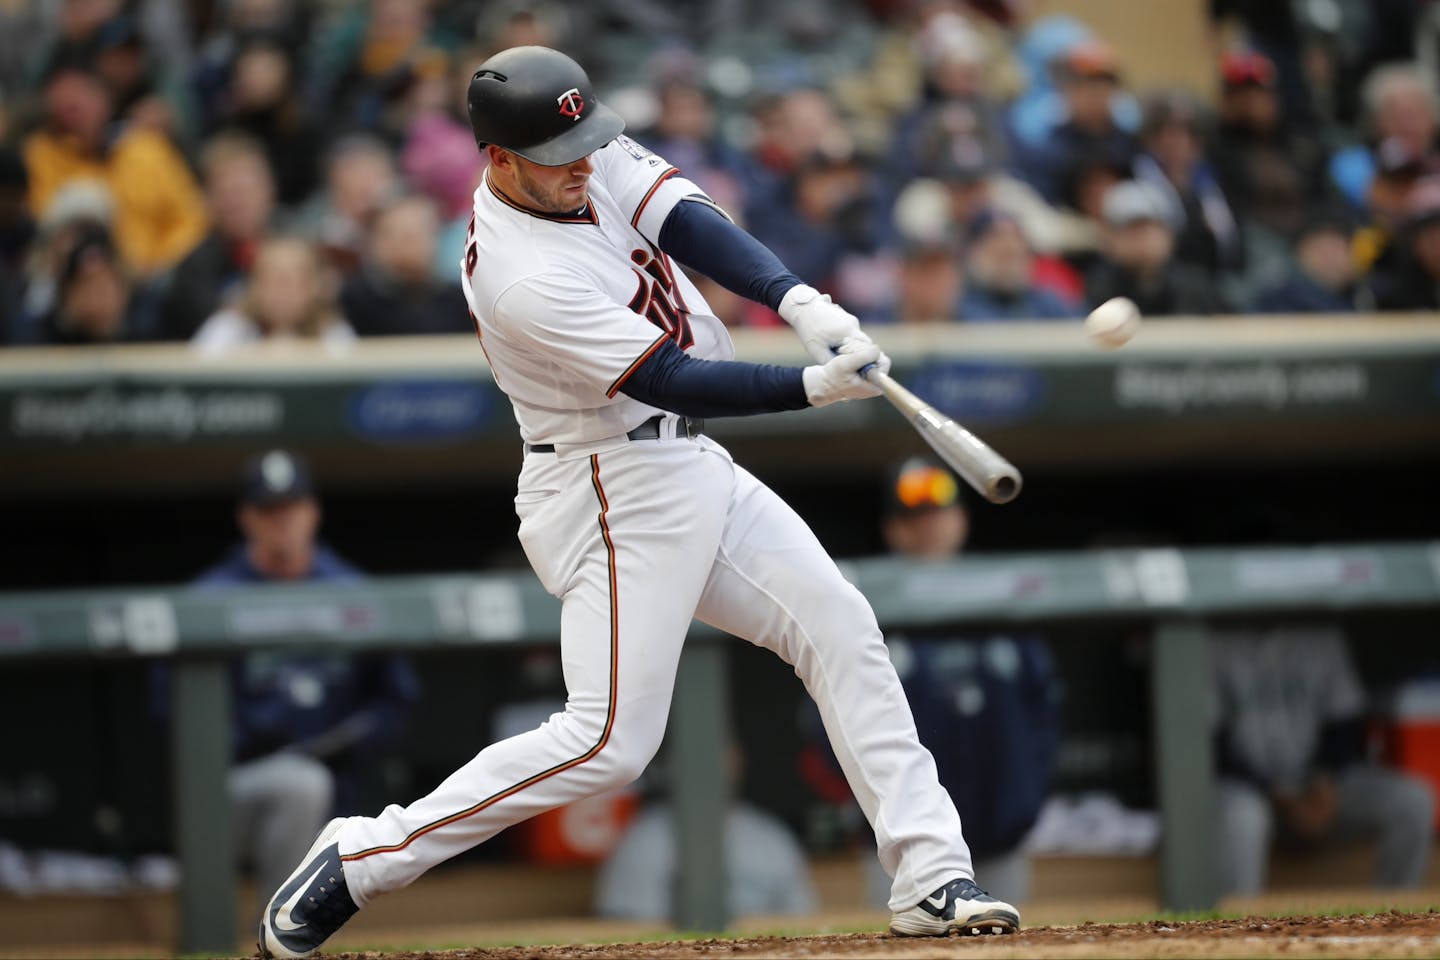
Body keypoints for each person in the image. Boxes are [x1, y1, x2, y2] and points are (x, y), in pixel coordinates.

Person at [258, 45, 1020, 959]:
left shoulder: (570, 148)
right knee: (609, 740)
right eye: (559, 153)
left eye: (587, 139)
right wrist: (812, 388)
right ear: (499, 160)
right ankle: (362, 856)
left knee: (839, 625)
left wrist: (798, 298)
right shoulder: (518, 274)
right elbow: (670, 379)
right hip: (606, 481)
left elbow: (688, 219)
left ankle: (932, 873)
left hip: (688, 466)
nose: (584, 162)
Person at [167, 449, 420, 916]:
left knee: (316, 783)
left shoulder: (352, 592)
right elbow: (172, 710)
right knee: (298, 784)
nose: (282, 522)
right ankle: (283, 925)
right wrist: (261, 740)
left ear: (312, 512)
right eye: (269, 511)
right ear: (247, 518)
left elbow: (397, 698)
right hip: (235, 789)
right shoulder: (210, 599)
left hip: (337, 779)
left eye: (292, 508)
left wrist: (344, 743)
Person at [805, 458, 1060, 907]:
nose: (930, 527)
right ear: (893, 529)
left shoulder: (1003, 600)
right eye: (914, 517)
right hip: (900, 847)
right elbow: (823, 716)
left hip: (1001, 838)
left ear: (961, 518)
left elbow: (1044, 712)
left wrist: (1024, 804)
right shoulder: (861, 606)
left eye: (939, 513)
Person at [1212, 624, 1435, 896]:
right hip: (1249, 793)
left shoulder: (1321, 633)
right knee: (1244, 816)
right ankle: (1241, 928)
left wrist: (1323, 780)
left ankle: (1393, 922)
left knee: (1413, 800)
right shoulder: (1212, 640)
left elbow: (1346, 724)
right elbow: (1212, 746)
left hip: (1319, 791)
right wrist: (1274, 793)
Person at [594, 741, 818, 923]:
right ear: (674, 762)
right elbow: (629, 939)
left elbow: (804, 925)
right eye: (699, 752)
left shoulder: (771, 838)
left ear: (739, 758)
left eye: (721, 749)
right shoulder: (644, 840)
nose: (710, 762)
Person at [191, 235, 354, 354]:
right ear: (254, 286)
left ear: (315, 288)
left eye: (292, 282)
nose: (282, 293)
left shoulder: (334, 333)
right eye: (271, 280)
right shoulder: (227, 328)